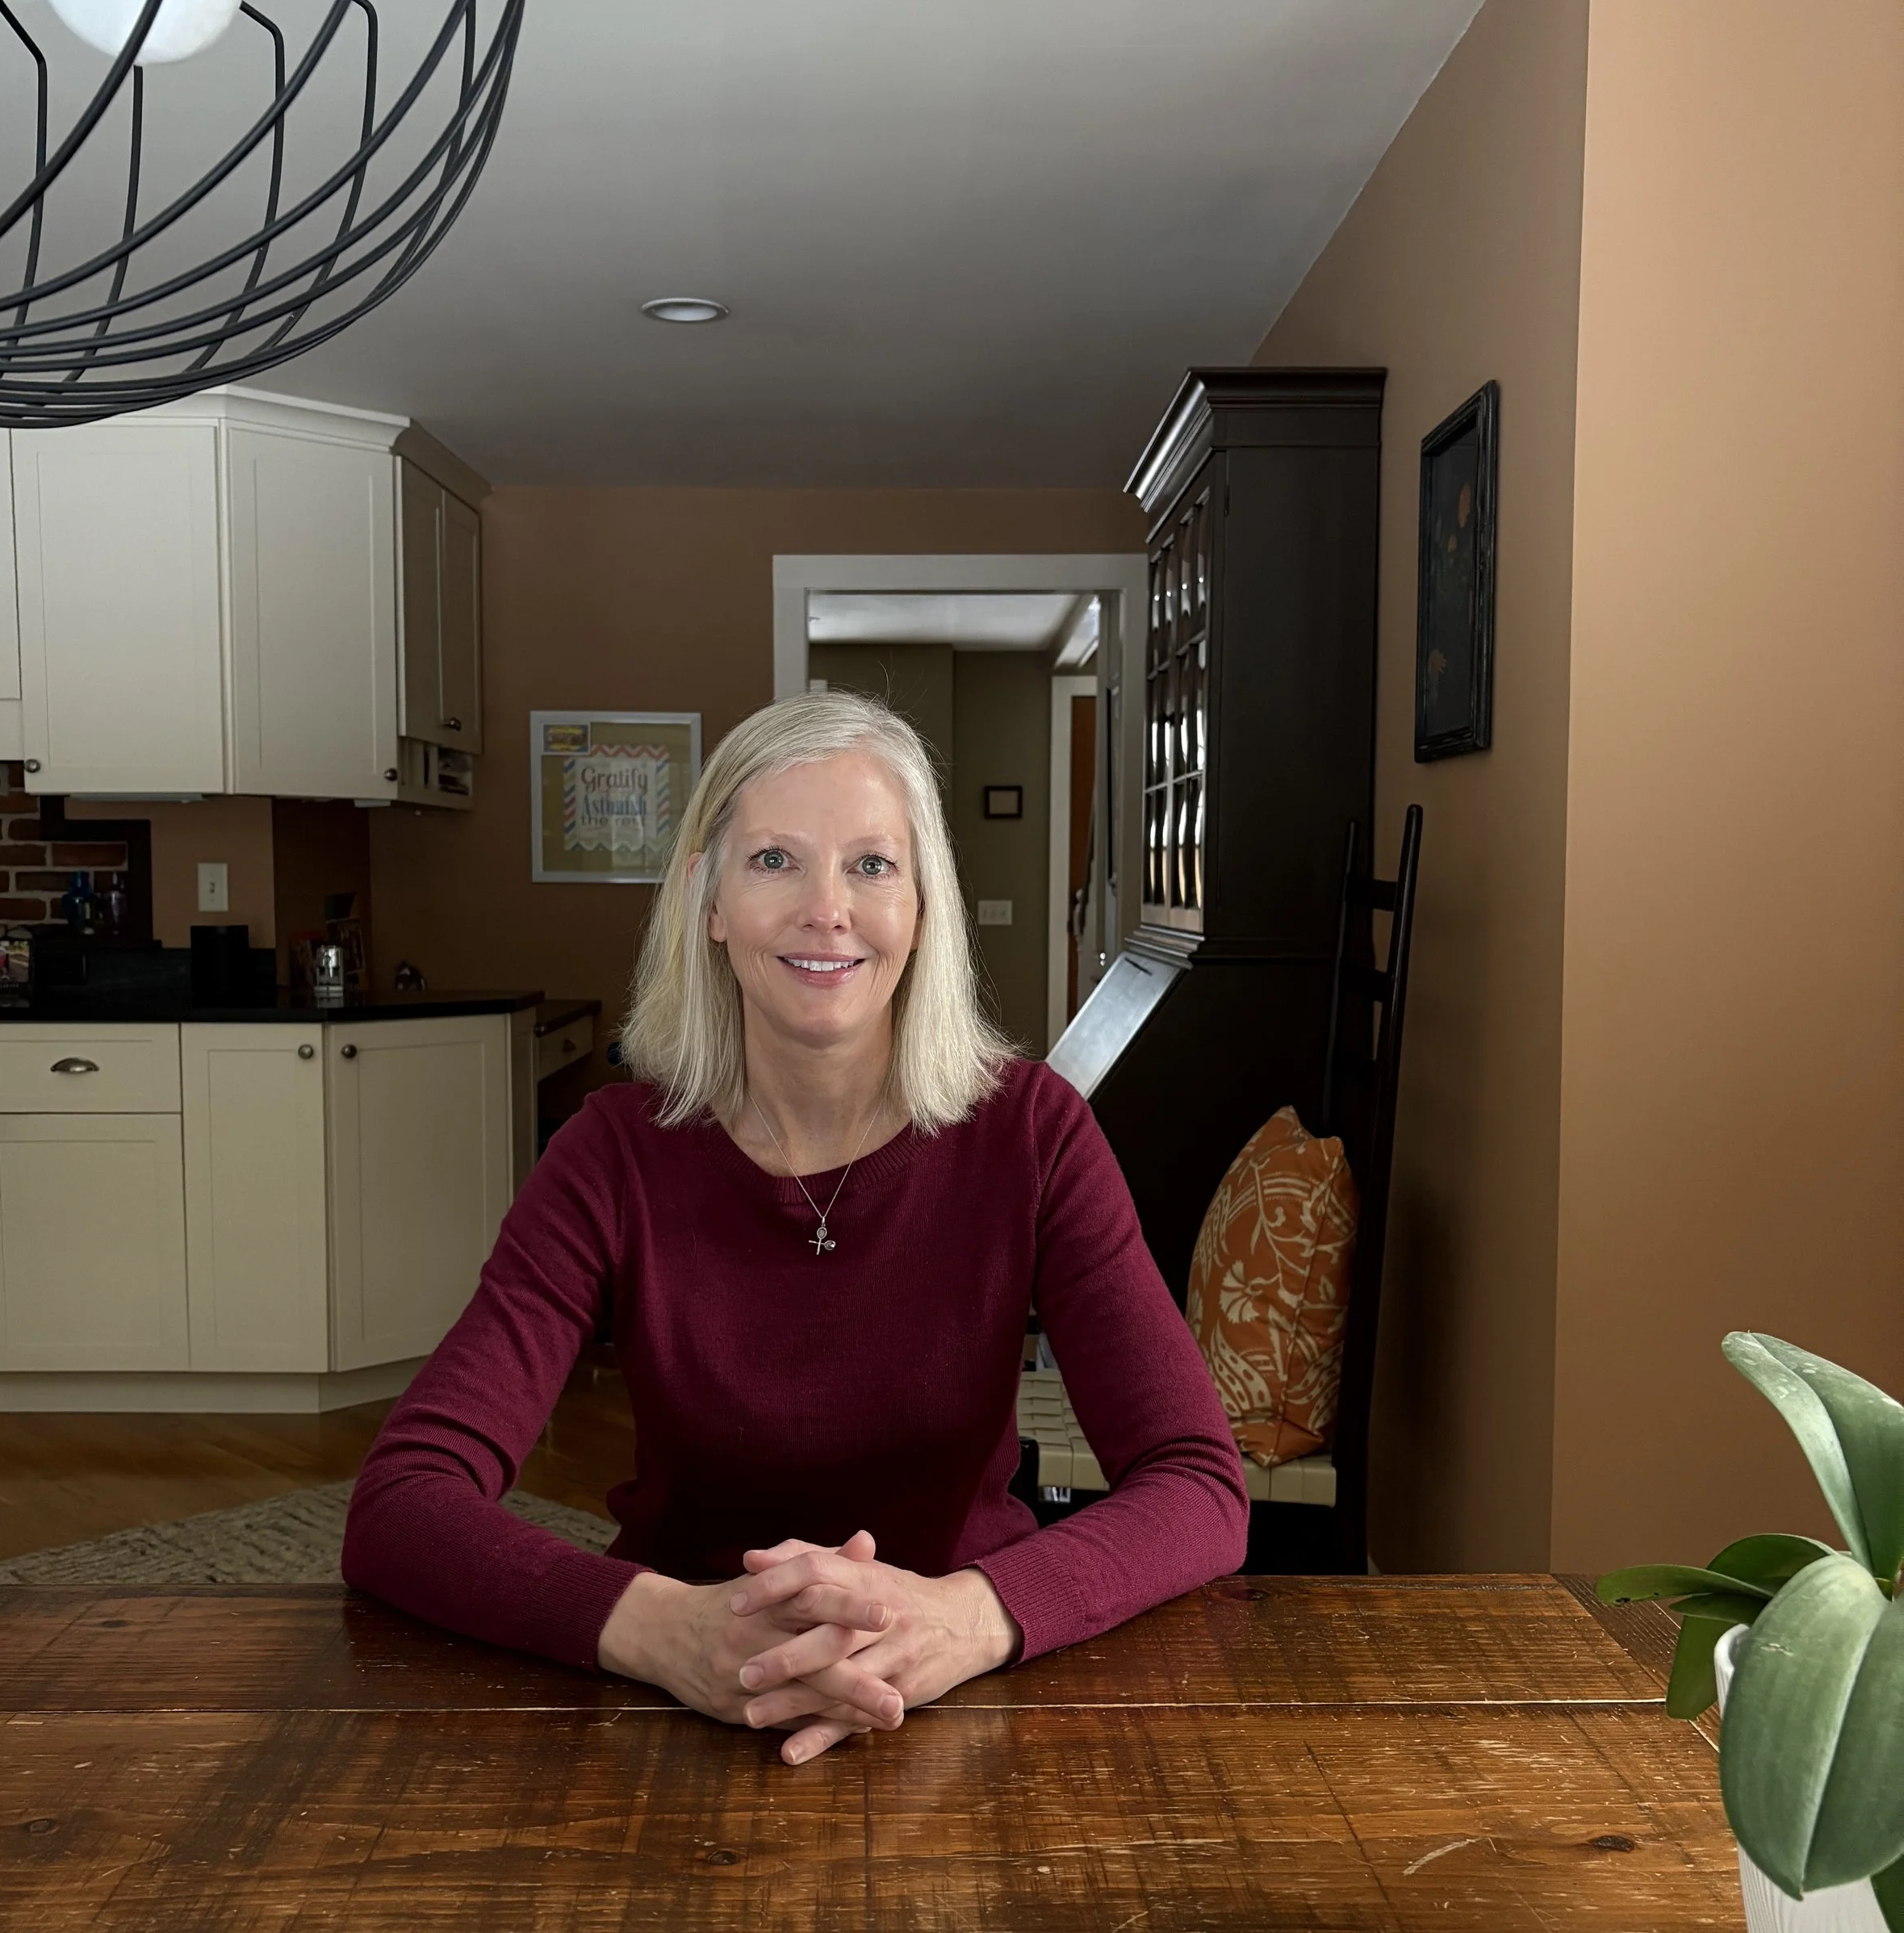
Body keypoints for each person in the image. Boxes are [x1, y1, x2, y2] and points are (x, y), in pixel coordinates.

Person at [342, 690, 1246, 1762]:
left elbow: (1198, 1482)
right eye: (776, 860)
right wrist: (665, 1628)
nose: (830, 909)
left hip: (977, 1689)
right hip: (671, 1699)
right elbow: (400, 1501)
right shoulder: (610, 1152)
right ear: (709, 901)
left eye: (872, 865)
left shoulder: (1035, 1135)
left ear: (922, 908)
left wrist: (962, 1617)